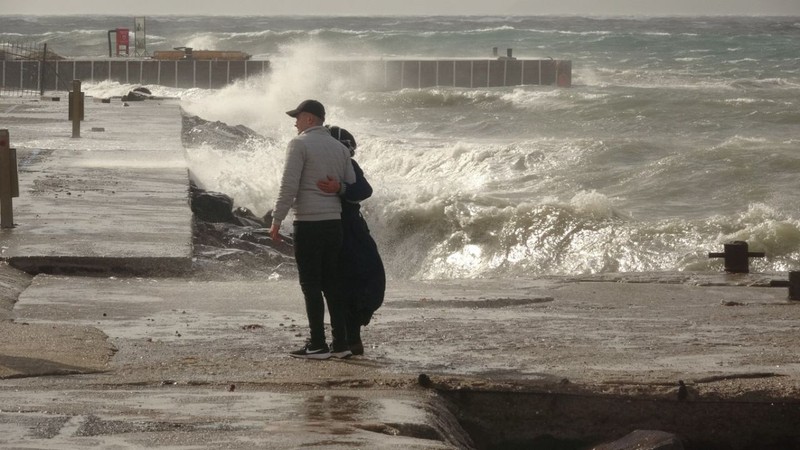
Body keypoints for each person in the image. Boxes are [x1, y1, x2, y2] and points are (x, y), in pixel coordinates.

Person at [270, 99, 356, 360]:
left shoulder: (299, 144)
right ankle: (341, 344)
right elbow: (350, 184)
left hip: (308, 223)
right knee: (332, 284)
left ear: (310, 119)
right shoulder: (339, 148)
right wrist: (335, 187)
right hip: (334, 224)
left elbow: (289, 185)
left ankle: (317, 344)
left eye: (297, 117)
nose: (295, 123)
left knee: (311, 285)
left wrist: (276, 220)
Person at [317, 126, 386, 356]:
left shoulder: (346, 164)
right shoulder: (316, 162)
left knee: (355, 280)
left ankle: (349, 339)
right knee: (341, 283)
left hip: (349, 229)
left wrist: (340, 188)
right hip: (335, 229)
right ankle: (344, 340)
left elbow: (364, 189)